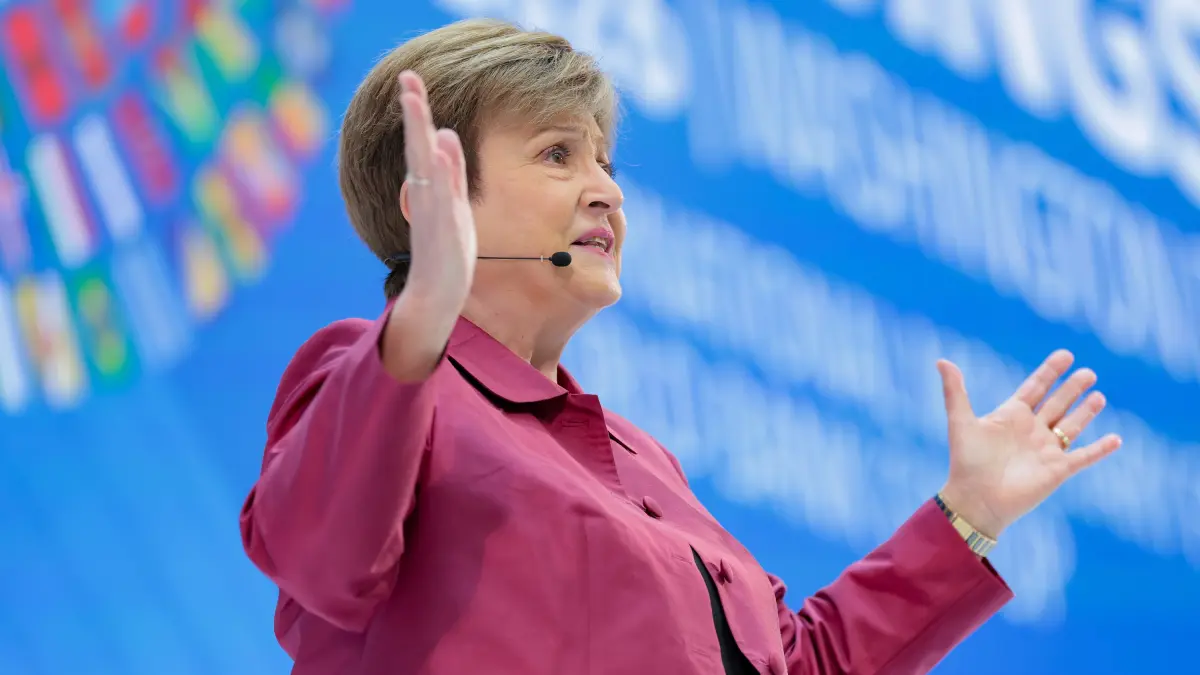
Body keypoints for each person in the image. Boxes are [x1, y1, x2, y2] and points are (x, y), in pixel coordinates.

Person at [239, 18, 1121, 675]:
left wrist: (968, 513)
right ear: (435, 195)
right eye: (557, 155)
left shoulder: (644, 461)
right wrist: (425, 312)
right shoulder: (376, 380)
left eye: (606, 163)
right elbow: (323, 557)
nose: (606, 192)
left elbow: (796, 663)